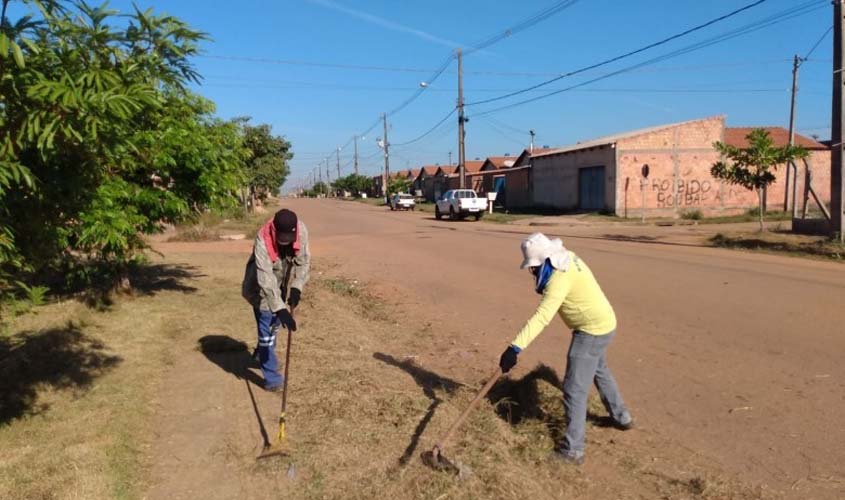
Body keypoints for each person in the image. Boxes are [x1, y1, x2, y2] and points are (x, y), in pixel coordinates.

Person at [498, 233, 632, 465]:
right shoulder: (569, 257)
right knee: (599, 369)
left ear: (547, 260)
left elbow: (542, 317)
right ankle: (621, 417)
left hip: (590, 330)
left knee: (574, 389)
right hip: (605, 322)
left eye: (535, 267)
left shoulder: (558, 281)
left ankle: (573, 451)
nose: (533, 272)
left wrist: (514, 348)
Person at [241, 208, 310, 392]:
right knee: (267, 326)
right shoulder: (262, 239)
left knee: (273, 326)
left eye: (289, 239)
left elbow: (303, 262)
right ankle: (272, 378)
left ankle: (262, 354)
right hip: (260, 287)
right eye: (282, 239)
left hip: (281, 282)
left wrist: (297, 287)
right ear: (275, 232)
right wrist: (279, 308)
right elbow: (265, 278)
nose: (286, 242)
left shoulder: (301, 230)